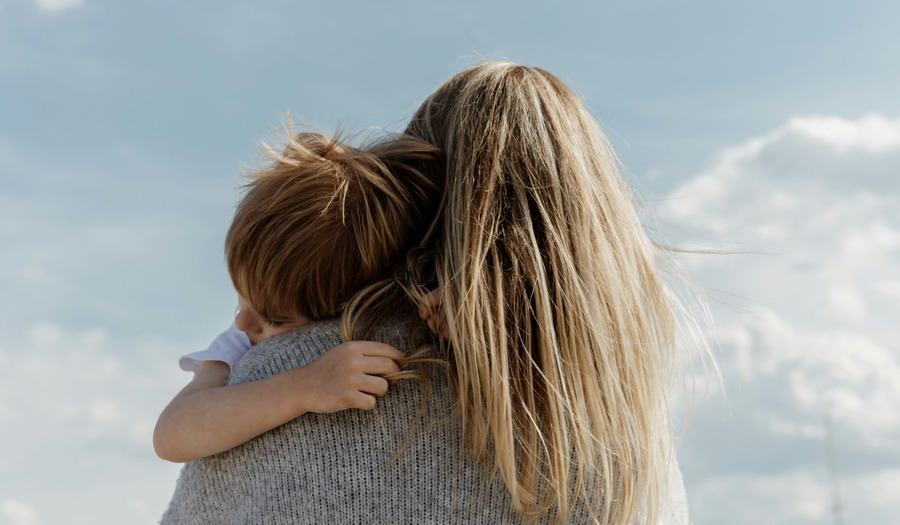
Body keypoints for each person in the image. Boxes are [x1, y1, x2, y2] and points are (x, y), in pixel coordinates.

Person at [162, 62, 697, 524]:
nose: (245, 327)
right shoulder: (626, 422)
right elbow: (174, 431)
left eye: (272, 315)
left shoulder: (296, 369)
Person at [153, 130, 442, 463]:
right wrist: (304, 387)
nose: (241, 321)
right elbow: (171, 435)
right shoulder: (239, 343)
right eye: (241, 297)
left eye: (274, 318)